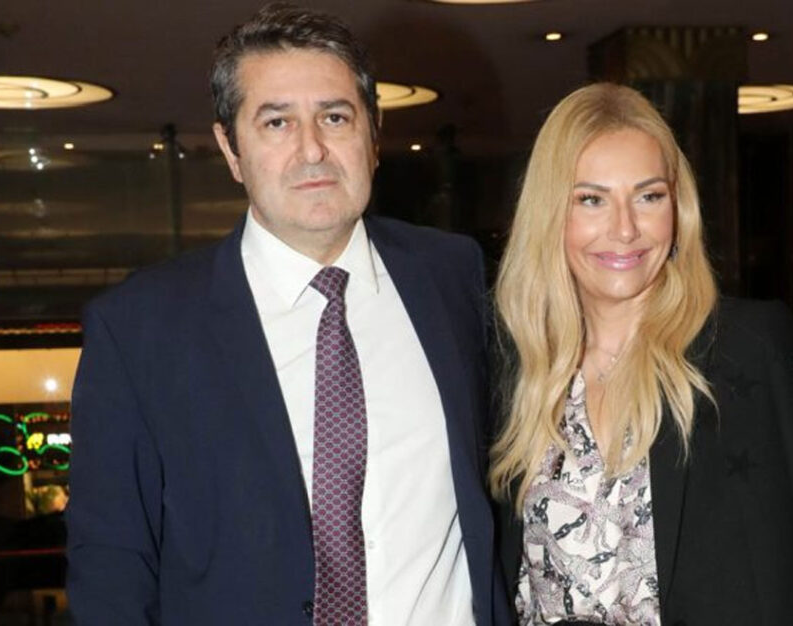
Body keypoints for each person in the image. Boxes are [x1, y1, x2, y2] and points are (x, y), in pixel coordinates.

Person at [66, 4, 506, 624]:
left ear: (373, 134)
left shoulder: (453, 276)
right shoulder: (139, 329)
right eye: (277, 122)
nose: (312, 150)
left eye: (335, 116)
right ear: (231, 148)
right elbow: (110, 563)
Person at [490, 83, 793, 625]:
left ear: (678, 209)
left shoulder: (746, 349)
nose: (625, 229)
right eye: (591, 199)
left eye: (649, 196)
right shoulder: (516, 369)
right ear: (550, 214)